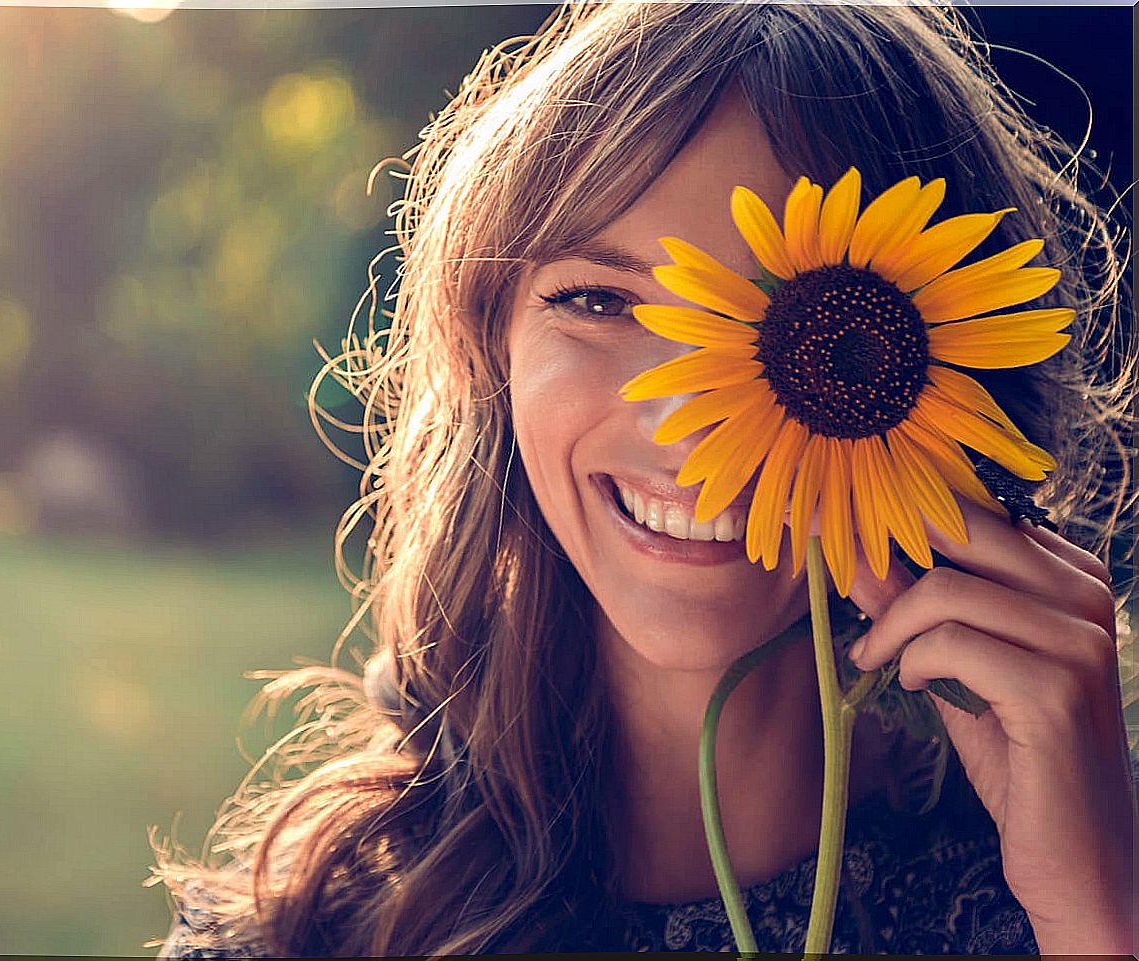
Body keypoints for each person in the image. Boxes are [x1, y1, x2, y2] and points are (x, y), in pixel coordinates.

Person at [148, 2, 1137, 955]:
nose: (688, 422)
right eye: (599, 300)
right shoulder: (310, 932)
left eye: (788, 320)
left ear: (958, 375)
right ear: (488, 350)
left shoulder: (1060, 891)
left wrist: (1095, 926)